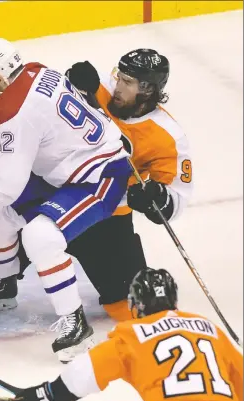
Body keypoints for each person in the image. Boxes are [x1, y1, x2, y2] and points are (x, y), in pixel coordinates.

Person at [0, 38, 133, 362]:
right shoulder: (40, 71)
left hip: (98, 173)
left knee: (40, 235)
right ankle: (2, 284)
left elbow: (4, 188)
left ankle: (74, 323)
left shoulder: (10, 109)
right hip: (62, 168)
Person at [63, 48, 193, 322]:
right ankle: (1, 278)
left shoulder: (167, 136)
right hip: (58, 193)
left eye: (127, 82)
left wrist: (156, 198)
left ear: (147, 90)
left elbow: (176, 198)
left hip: (107, 217)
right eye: (118, 77)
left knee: (132, 308)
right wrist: (70, 84)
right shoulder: (99, 89)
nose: (117, 86)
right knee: (5, 249)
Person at [14, 268, 243, 401]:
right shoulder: (207, 326)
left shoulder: (132, 333)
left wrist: (51, 395)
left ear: (136, 304)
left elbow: (90, 369)